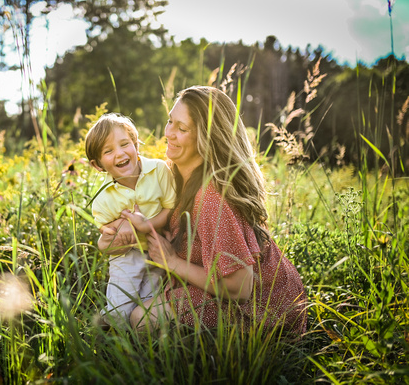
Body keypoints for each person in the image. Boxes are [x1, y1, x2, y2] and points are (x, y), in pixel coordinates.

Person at [122, 86, 307, 334]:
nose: (169, 133)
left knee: (143, 320)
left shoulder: (212, 197)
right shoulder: (174, 174)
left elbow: (240, 288)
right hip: (219, 289)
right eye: (170, 121)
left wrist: (172, 262)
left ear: (207, 138)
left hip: (261, 312)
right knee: (123, 312)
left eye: (182, 129)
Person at [85, 113, 176, 327]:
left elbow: (170, 209)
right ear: (98, 164)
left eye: (125, 144)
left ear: (136, 145)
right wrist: (121, 225)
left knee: (145, 303)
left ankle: (138, 346)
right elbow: (107, 237)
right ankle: (105, 333)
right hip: (126, 256)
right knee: (120, 310)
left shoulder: (159, 170)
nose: (120, 153)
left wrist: (147, 225)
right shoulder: (102, 197)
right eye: (108, 151)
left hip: (157, 250)